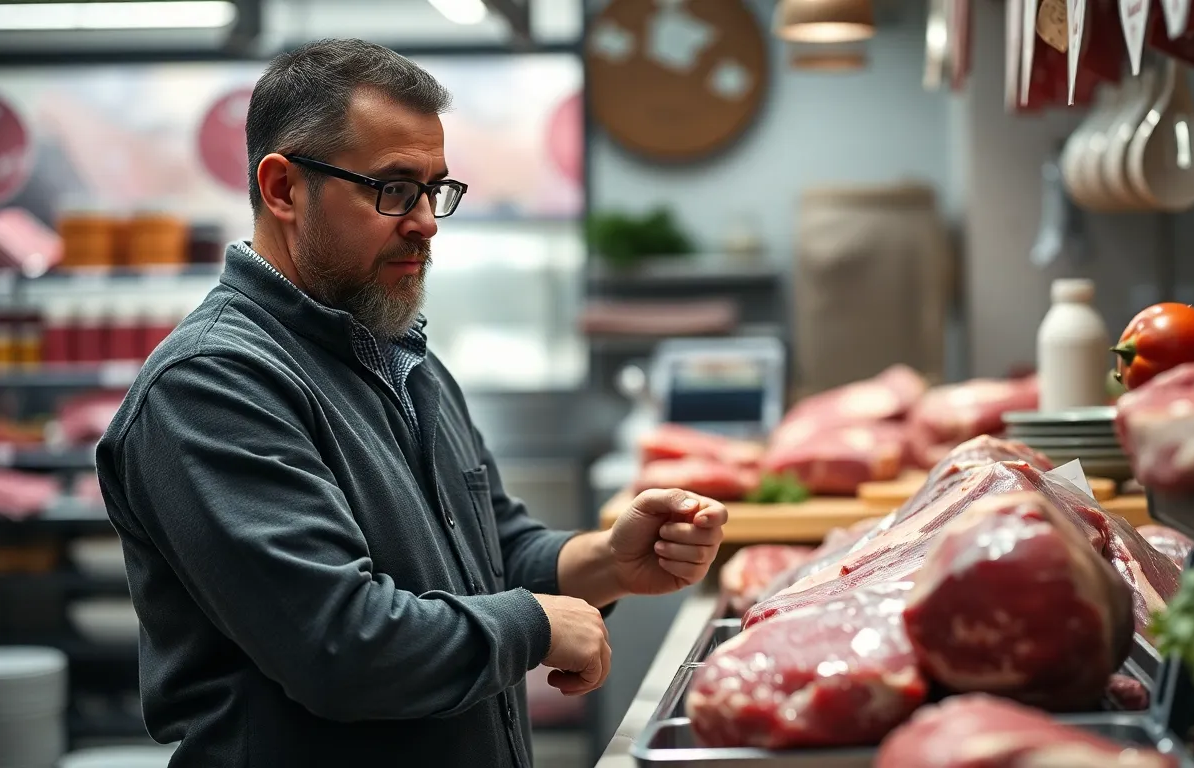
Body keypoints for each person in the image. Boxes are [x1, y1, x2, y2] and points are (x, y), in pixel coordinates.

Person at [95, 39, 728, 768]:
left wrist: (608, 562)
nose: (426, 221)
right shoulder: (212, 385)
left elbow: (495, 549)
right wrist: (535, 625)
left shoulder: (399, 357)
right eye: (393, 189)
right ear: (282, 188)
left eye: (436, 189)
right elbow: (340, 644)